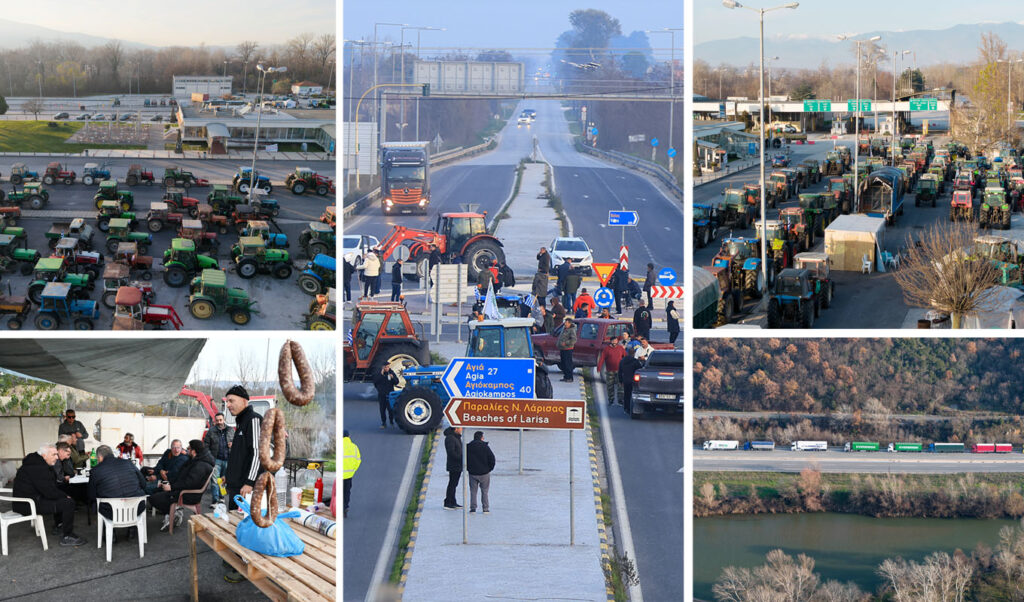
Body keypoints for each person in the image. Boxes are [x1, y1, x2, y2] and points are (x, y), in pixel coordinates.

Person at [223, 385, 263, 584]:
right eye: (227, 401)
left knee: (246, 526)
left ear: (245, 401)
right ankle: (236, 560)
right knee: (237, 525)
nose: (228, 405)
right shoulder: (240, 423)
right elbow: (239, 456)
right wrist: (228, 476)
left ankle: (245, 567)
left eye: (232, 401)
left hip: (246, 488)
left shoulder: (253, 420)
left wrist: (249, 482)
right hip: (235, 486)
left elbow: (258, 453)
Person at [13, 444, 86, 546]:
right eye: (54, 454)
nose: (57, 457)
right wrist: (65, 496)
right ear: (44, 456)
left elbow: (50, 487)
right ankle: (67, 536)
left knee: (62, 496)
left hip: (29, 500)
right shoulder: (38, 467)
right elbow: (49, 491)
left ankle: (60, 525)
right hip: (27, 504)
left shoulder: (36, 463)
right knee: (68, 503)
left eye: (57, 454)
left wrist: (62, 494)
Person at [149, 440, 214, 531]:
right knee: (156, 491)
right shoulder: (195, 460)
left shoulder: (201, 465)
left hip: (188, 495)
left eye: (189, 448)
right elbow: (182, 476)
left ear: (194, 451)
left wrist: (171, 487)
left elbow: (189, 483)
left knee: (153, 498)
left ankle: (174, 513)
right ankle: (173, 512)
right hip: (182, 489)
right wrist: (168, 483)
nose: (187, 450)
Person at [88, 444, 147, 539]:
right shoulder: (128, 463)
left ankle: (111, 535)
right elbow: (143, 484)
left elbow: (91, 495)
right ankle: (132, 528)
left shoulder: (95, 471)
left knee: (97, 503)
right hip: (136, 508)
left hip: (111, 511)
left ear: (100, 457)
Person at [203, 413, 235, 508]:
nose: (219, 422)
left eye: (220, 420)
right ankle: (215, 500)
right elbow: (206, 445)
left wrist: (233, 444)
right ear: (215, 421)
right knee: (215, 481)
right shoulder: (211, 431)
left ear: (224, 419)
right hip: (216, 459)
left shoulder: (230, 430)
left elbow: (236, 441)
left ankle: (222, 498)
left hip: (227, 459)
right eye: (217, 420)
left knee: (223, 480)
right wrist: (210, 458)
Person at [466, 431, 495, 514]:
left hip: (472, 473)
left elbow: (464, 459)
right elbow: (492, 459)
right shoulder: (485, 447)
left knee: (473, 491)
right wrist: (489, 469)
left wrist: (468, 468)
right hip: (484, 473)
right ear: (481, 438)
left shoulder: (468, 447)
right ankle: (485, 508)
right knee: (485, 491)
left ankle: (473, 508)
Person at [597, 336, 627, 405]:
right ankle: (611, 400)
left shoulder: (620, 348)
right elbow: (602, 358)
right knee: (610, 386)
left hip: (619, 371)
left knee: (620, 386)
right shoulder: (607, 349)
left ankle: (620, 400)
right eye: (613, 341)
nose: (614, 342)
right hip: (610, 371)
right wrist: (599, 368)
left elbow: (625, 357)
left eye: (616, 341)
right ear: (610, 341)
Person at [373, 364, 400, 428]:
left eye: (388, 367)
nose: (387, 368)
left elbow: (396, 382)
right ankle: (383, 423)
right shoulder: (379, 373)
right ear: (383, 367)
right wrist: (381, 375)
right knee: (382, 409)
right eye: (385, 367)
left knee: (390, 409)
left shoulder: (391, 372)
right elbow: (375, 382)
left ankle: (391, 421)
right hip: (382, 394)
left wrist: (393, 378)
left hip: (389, 394)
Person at [443, 424, 463, 509]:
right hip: (454, 465)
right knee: (452, 483)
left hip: (458, 465)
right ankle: (448, 502)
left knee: (454, 483)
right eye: (460, 428)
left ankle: (453, 501)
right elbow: (451, 452)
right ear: (456, 428)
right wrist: (461, 458)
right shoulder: (450, 438)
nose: (461, 429)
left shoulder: (456, 437)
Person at [342, 430, 361, 519]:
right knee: (346, 492)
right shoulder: (354, 447)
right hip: (349, 475)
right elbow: (358, 460)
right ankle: (345, 507)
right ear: (348, 436)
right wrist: (352, 470)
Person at [557, 316, 578, 382]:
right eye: (565, 322)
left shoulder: (572, 330)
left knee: (568, 363)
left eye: (566, 322)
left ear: (569, 323)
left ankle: (569, 377)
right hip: (562, 349)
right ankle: (565, 376)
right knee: (563, 364)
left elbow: (574, 340)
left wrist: (566, 343)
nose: (565, 324)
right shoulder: (564, 329)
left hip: (568, 349)